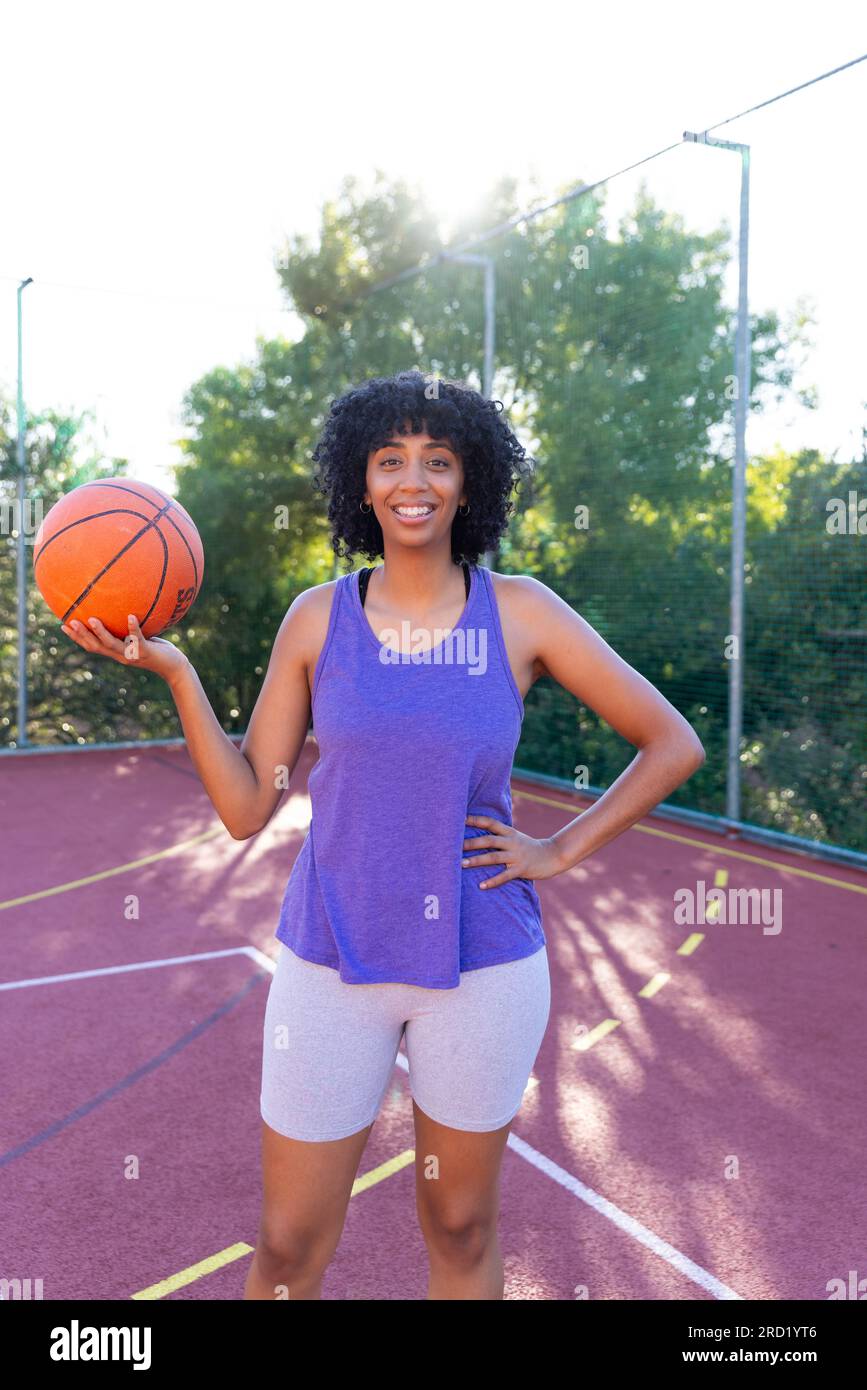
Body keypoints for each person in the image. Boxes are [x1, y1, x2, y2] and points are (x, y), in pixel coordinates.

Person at [62, 369, 705, 1300]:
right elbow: (248, 807)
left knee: (459, 1222)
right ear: (360, 483)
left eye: (438, 461)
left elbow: (669, 742)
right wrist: (177, 675)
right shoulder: (318, 619)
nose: (415, 479)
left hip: (481, 960)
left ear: (467, 482)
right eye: (390, 459)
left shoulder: (519, 611)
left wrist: (556, 851)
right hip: (333, 958)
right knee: (285, 1245)